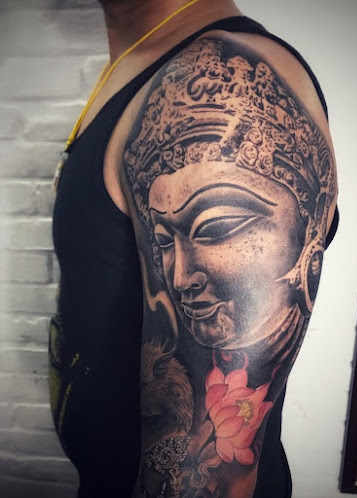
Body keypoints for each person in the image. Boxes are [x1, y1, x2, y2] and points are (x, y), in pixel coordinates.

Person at [49, 1, 338, 497]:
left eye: (215, 226)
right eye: (164, 239)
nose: (180, 277)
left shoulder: (218, 82)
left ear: (303, 246)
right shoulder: (141, 64)